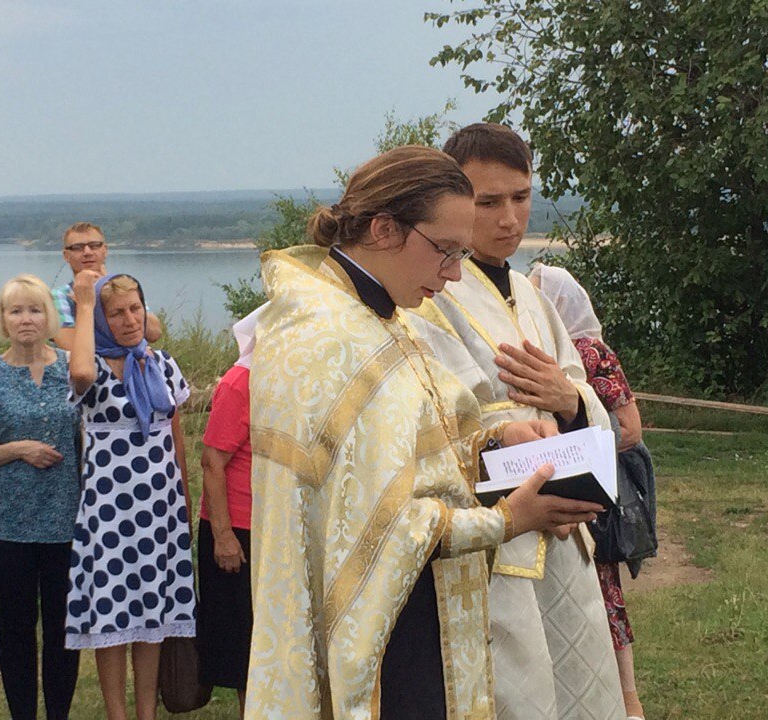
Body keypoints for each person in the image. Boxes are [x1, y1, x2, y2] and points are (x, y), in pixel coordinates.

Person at [245, 145, 605, 720]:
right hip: (379, 623)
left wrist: (494, 445)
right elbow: (381, 528)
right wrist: (509, 520)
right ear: (384, 229)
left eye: (462, 253)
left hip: (410, 603)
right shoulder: (333, 339)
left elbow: (418, 450)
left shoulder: (375, 314)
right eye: (446, 251)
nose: (455, 273)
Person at [409, 123, 627, 720]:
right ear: (454, 201)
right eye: (488, 202)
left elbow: (584, 401)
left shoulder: (533, 298)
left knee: (580, 687)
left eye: (521, 197)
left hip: (567, 534)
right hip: (499, 541)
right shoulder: (430, 298)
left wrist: (568, 399)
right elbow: (437, 423)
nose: (509, 219)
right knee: (519, 692)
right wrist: (511, 429)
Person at [64, 271, 195, 720]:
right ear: (102, 320)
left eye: (135, 308)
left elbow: (175, 435)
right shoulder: (92, 369)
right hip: (110, 513)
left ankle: (146, 713)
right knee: (112, 614)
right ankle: (117, 714)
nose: (129, 319)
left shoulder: (162, 365)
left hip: (159, 510)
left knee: (152, 615)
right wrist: (84, 304)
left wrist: (184, 496)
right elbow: (80, 371)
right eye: (116, 313)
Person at [530, 263, 651, 720]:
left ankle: (628, 703)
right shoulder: (545, 350)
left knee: (604, 593)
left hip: (589, 483)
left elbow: (630, 429)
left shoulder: (589, 353)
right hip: (557, 481)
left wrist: (577, 439)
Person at [0, 274, 81, 720]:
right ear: (3, 319)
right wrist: (17, 449)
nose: (26, 319)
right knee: (15, 632)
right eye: (16, 311)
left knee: (63, 633)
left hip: (66, 525)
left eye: (35, 309)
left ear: (49, 317)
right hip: (4, 528)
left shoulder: (75, 370)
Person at [196, 306, 263, 717]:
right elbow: (211, 462)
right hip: (236, 529)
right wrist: (223, 536)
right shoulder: (240, 382)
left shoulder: (285, 383)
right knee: (244, 647)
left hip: (271, 526)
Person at [51, 222, 162, 350]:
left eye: (94, 246)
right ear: (66, 255)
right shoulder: (59, 297)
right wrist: (84, 304)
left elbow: (154, 333)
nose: (87, 252)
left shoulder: (124, 288)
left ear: (105, 250)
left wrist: (106, 287)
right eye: (77, 247)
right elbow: (71, 347)